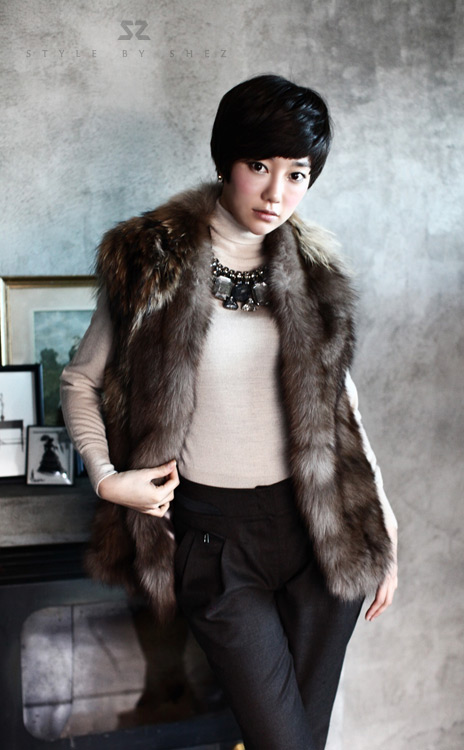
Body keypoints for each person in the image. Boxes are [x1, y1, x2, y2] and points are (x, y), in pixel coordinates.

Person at [61, 74, 398, 750]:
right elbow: (79, 381)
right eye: (259, 166)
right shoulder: (150, 260)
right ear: (225, 162)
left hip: (319, 533)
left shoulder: (314, 271)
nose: (277, 193)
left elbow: (342, 403)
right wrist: (107, 479)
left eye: (297, 174)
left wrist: (384, 525)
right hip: (215, 542)